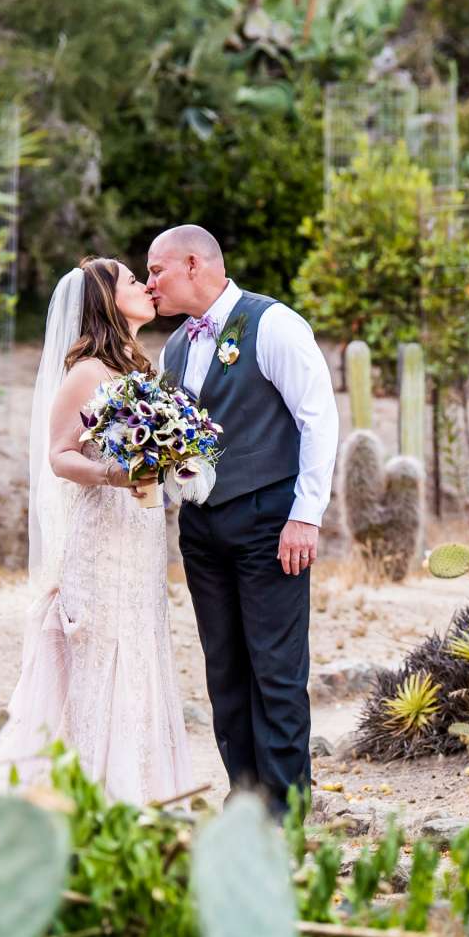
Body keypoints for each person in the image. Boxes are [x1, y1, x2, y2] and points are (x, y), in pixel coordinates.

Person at [0, 257, 196, 804]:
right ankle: (88, 798)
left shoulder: (138, 372)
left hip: (140, 541)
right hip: (100, 541)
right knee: (100, 657)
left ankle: (140, 795)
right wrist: (112, 474)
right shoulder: (87, 373)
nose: (145, 284)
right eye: (130, 279)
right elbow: (58, 456)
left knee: (140, 652)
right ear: (104, 300)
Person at [144, 224, 338, 811]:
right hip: (202, 530)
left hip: (270, 525)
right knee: (224, 668)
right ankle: (246, 801)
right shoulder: (175, 347)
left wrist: (305, 516)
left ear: (195, 264)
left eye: (157, 270)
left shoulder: (273, 323)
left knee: (275, 670)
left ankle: (287, 812)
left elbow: (318, 419)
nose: (150, 282)